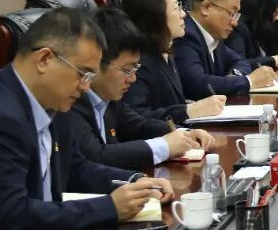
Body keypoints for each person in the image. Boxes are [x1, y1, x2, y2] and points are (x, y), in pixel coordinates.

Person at [0, 8, 174, 230]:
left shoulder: (53, 100)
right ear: (44, 59)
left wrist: (135, 183)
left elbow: (76, 168)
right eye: (83, 73)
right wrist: (109, 208)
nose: (86, 87)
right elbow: (11, 214)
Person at [71, 9, 215, 171]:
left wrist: (185, 134)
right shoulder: (72, 101)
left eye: (135, 69)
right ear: (96, 63)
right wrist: (165, 146)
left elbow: (138, 126)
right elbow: (97, 156)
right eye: (127, 70)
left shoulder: (109, 100)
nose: (133, 78)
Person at [121, 0, 226, 123]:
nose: (183, 14)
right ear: (155, 16)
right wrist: (188, 110)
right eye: (176, 7)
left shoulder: (166, 49)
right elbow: (135, 117)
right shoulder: (137, 61)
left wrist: (194, 106)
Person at [174, 0, 278, 98]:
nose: (235, 23)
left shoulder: (214, 36)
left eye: (236, 15)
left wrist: (234, 76)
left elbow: (241, 61)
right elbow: (197, 84)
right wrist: (249, 81)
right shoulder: (185, 34)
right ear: (206, 7)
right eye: (231, 13)